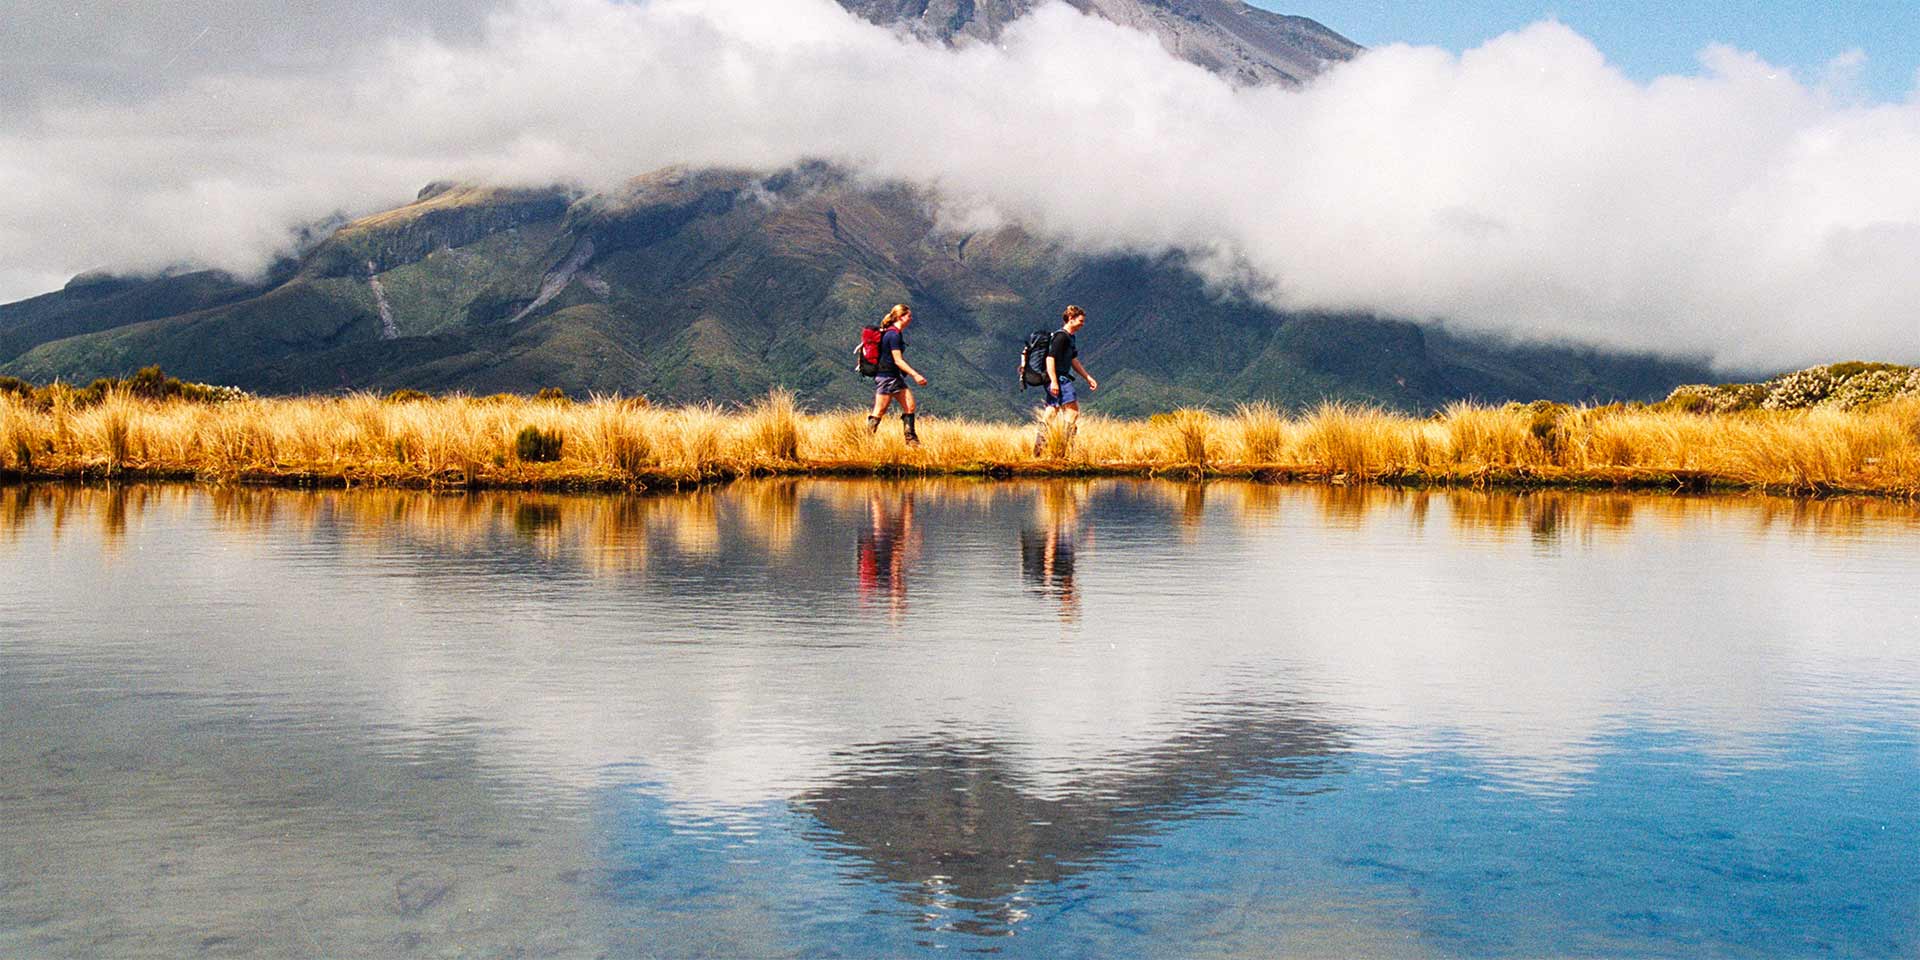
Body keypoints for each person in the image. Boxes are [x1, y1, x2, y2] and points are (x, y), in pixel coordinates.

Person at [1033, 305, 1099, 456]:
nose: (1083, 324)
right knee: (1073, 412)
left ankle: (1039, 449)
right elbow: (1050, 358)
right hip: (1059, 378)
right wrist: (1054, 381)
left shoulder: (1070, 338)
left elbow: (1073, 360)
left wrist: (1087, 377)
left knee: (1052, 410)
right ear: (1070, 319)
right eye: (1080, 321)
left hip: (1059, 378)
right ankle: (1063, 449)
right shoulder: (1061, 337)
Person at [867, 304, 929, 447]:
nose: (911, 319)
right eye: (909, 316)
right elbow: (898, 360)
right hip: (887, 377)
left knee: (910, 406)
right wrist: (916, 375)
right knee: (879, 410)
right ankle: (866, 441)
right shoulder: (893, 335)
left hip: (892, 376)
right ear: (901, 317)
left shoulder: (893, 333)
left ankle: (912, 442)